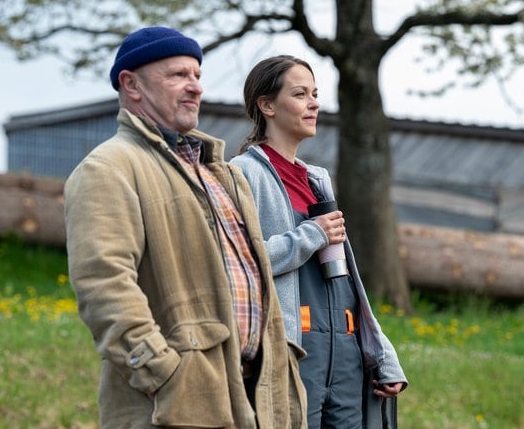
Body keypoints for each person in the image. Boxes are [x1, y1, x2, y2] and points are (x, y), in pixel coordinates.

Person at [64, 28, 307, 429]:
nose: (194, 87)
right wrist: (163, 375)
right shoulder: (107, 169)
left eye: (197, 75)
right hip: (177, 406)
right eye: (178, 75)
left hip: (254, 398)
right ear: (131, 85)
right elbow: (103, 286)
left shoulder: (224, 175)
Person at [230, 55, 408, 428]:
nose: (314, 103)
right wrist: (311, 234)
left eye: (315, 94)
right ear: (267, 105)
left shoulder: (317, 180)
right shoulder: (243, 174)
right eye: (300, 94)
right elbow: (240, 264)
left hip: (344, 356)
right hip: (292, 351)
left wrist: (383, 355)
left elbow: (347, 283)